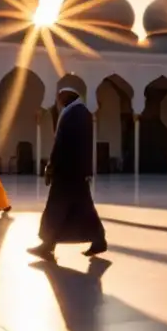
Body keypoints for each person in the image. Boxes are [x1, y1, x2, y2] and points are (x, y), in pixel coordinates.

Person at [28, 86, 107, 261]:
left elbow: (61, 143)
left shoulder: (72, 114)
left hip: (67, 171)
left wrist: (51, 165)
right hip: (77, 172)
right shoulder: (81, 112)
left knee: (56, 208)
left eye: (60, 97)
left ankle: (48, 245)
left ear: (68, 96)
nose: (58, 100)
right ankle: (99, 240)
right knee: (84, 207)